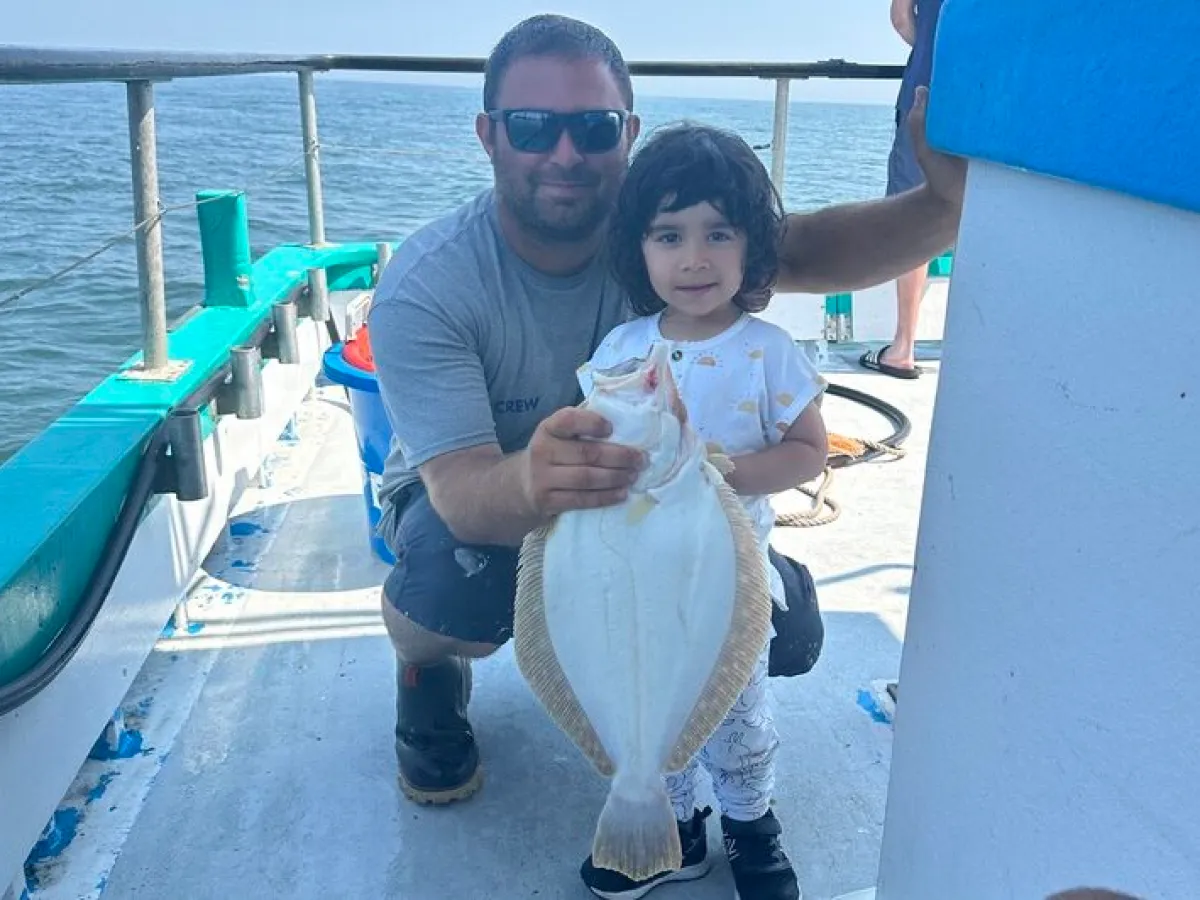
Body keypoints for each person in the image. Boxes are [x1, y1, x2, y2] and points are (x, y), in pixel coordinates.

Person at [368, 9, 961, 817]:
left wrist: (942, 207)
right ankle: (425, 667)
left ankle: (700, 690)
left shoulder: (659, 234)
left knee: (781, 636)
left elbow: (812, 249)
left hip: (654, 503)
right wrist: (538, 478)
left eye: (594, 127)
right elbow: (463, 491)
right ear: (489, 135)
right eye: (533, 127)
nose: (566, 153)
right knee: (453, 592)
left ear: (628, 132)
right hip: (480, 503)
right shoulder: (430, 282)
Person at [570, 121, 826, 899]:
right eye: (669, 234)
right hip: (639, 586)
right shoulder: (621, 351)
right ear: (638, 249)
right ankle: (676, 831)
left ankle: (752, 826)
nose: (694, 258)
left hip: (731, 586)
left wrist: (730, 472)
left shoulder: (767, 350)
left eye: (720, 232)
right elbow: (592, 454)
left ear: (752, 246)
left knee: (738, 715)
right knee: (659, 712)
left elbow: (809, 449)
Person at [859, 0, 947, 379]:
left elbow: (900, 19)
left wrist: (930, 44)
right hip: (992, 96)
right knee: (979, 213)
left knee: (915, 218)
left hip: (924, 93)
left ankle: (904, 347)